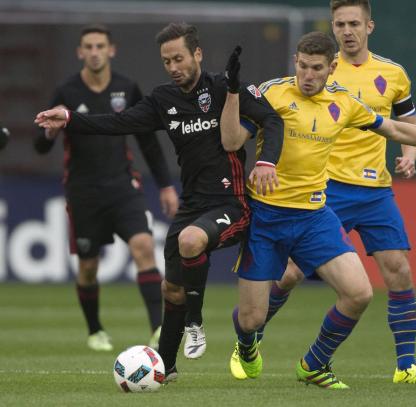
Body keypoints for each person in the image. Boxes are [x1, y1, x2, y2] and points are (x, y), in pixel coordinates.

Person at [224, 31, 416, 389]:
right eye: (302, 66)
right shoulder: (271, 93)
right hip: (267, 218)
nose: (307, 75)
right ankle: (246, 346)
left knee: (359, 293)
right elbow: (230, 142)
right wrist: (232, 92)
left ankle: (314, 364)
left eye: (316, 68)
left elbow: (396, 129)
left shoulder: (345, 103)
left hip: (314, 217)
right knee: (251, 318)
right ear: (296, 62)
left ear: (331, 67)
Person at [35, 22, 283, 381]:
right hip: (192, 206)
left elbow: (271, 119)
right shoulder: (162, 100)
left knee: (189, 241)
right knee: (172, 288)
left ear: (197, 54)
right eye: (167, 61)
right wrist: (70, 118)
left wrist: (265, 161)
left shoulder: (224, 87)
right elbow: (116, 123)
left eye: (179, 58)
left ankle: (196, 323)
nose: (173, 67)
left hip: (232, 203)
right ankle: (166, 366)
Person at [33, 24, 179, 352]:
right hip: (83, 191)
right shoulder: (67, 90)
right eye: (89, 46)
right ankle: (95, 329)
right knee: (88, 267)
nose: (95, 51)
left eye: (101, 45)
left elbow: (148, 142)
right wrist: (49, 135)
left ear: (111, 50)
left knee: (143, 246)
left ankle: (157, 329)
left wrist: (166, 186)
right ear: (80, 52)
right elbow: (40, 147)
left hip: (123, 186)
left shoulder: (127, 88)